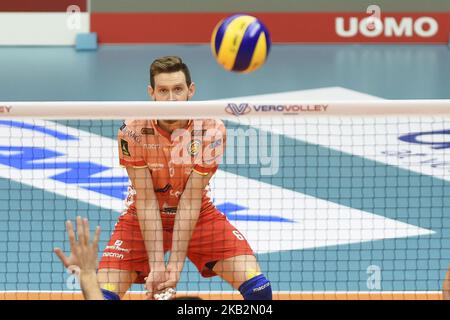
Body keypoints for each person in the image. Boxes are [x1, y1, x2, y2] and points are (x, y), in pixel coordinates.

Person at [55, 56, 271, 300]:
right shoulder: (133, 130)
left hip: (198, 215)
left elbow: (190, 201)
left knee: (260, 291)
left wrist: (175, 267)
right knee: (103, 295)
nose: (171, 99)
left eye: (178, 90)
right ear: (152, 93)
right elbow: (145, 200)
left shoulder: (211, 129)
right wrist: (158, 264)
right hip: (141, 218)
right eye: (163, 91)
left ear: (191, 90)